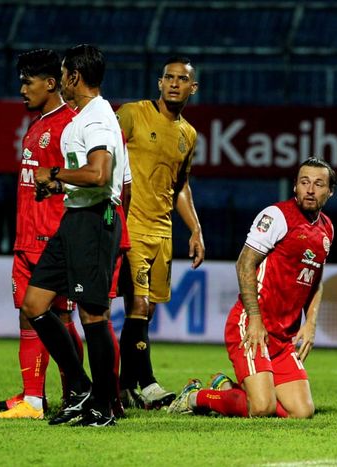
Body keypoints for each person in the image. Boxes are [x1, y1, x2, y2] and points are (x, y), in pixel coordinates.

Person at [167, 157, 336, 419]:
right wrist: (255, 319)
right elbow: (244, 264)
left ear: (330, 191)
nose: (310, 190)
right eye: (304, 182)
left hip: (282, 337)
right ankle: (195, 396)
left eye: (318, 184)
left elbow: (316, 278)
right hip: (251, 324)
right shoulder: (276, 216)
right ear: (295, 187)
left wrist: (310, 322)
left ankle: (228, 388)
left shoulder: (326, 229)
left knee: (302, 412)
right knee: (261, 408)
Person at [22, 44, 126, 427]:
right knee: (35, 304)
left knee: (92, 314)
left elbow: (99, 174)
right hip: (74, 216)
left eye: (64, 73)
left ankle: (102, 404)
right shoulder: (85, 117)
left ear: (72, 77)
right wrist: (60, 188)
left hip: (94, 221)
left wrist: (55, 175)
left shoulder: (97, 118)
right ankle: (82, 388)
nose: (62, 79)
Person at [0, 49, 83, 420]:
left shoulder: (70, 127)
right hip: (28, 240)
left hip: (53, 241)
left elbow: (87, 181)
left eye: (28, 82)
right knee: (30, 317)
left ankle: (74, 391)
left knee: (58, 318)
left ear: (50, 83)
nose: (21, 90)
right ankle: (34, 398)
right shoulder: (37, 125)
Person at [114, 56, 204, 410]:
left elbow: (180, 185)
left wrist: (195, 228)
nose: (174, 83)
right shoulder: (133, 114)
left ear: (192, 88)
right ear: (159, 82)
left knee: (147, 311)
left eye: (182, 79)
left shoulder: (188, 134)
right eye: (168, 77)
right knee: (136, 303)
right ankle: (148, 383)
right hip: (131, 224)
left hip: (162, 229)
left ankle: (122, 388)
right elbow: (105, 155)